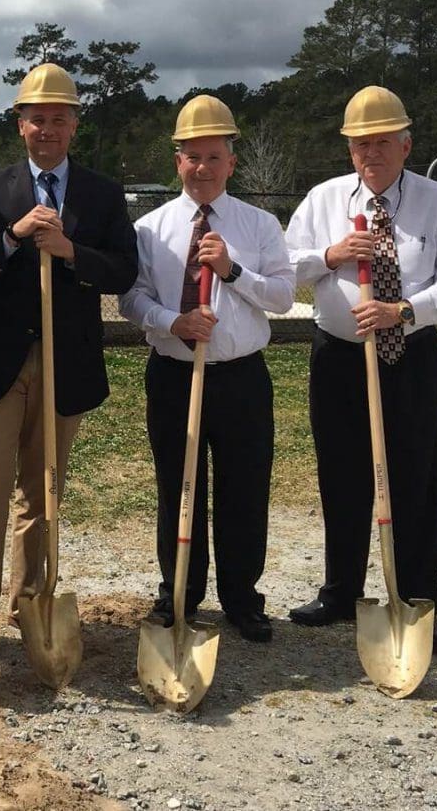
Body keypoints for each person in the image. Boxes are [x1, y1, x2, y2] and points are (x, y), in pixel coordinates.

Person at [0, 63, 138, 667]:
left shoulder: (103, 195)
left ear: (74, 125)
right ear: (20, 124)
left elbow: (124, 272)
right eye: (37, 119)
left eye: (59, 118)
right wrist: (14, 236)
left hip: (66, 360)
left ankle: (32, 605)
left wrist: (71, 252)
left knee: (44, 491)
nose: (47, 129)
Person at [285, 86, 437, 654]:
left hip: (410, 356)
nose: (371, 153)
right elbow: (283, 266)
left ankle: (420, 603)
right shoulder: (323, 201)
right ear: (350, 150)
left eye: (383, 143)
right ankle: (340, 593)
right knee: (341, 474)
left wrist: (404, 310)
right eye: (361, 144)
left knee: (416, 478)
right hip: (339, 357)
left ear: (406, 145)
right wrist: (331, 256)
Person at [119, 95, 296, 643]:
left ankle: (242, 598)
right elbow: (131, 299)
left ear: (231, 163)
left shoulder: (260, 225)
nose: (202, 168)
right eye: (192, 157)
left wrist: (232, 269)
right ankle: (179, 595)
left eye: (213, 158)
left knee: (245, 489)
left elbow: (284, 296)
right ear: (178, 162)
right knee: (178, 486)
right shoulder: (149, 228)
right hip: (173, 375)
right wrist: (173, 322)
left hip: (241, 377)